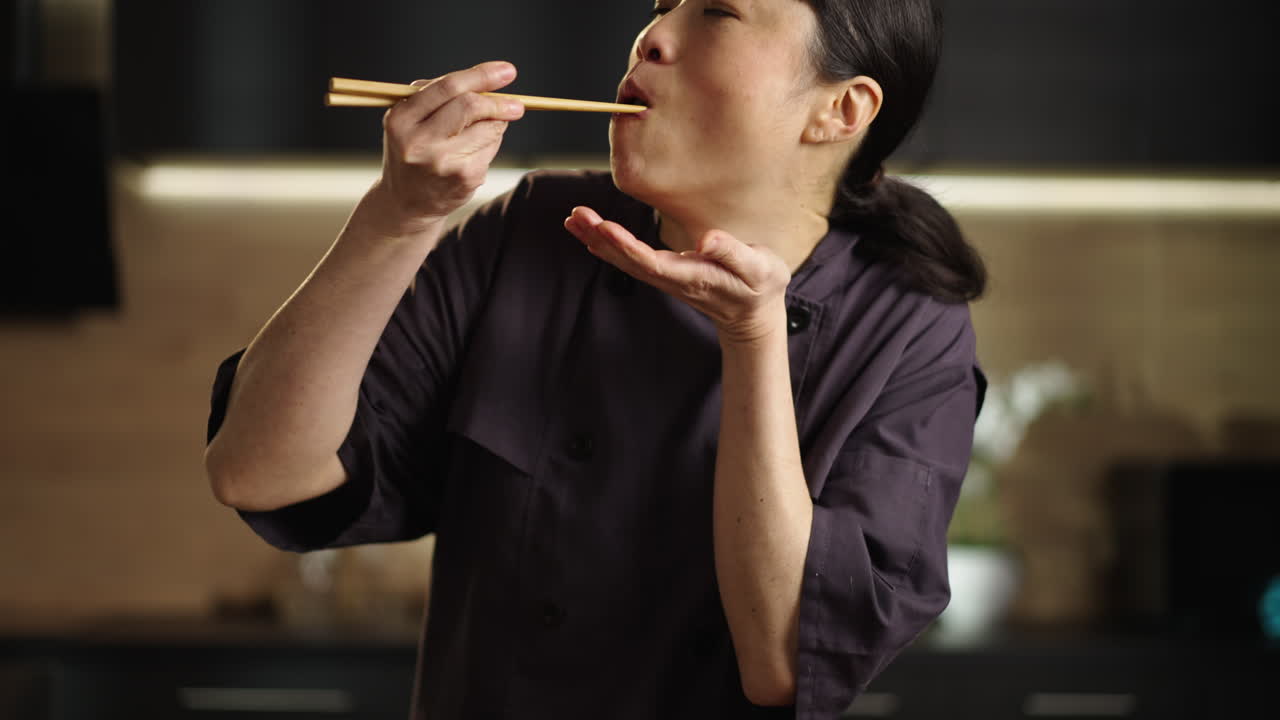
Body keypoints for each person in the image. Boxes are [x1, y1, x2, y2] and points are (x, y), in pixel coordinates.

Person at [204, 0, 987, 717]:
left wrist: (753, 336)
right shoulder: (535, 232)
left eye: (714, 11)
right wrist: (398, 215)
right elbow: (257, 471)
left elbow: (781, 664)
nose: (653, 36)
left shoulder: (911, 331)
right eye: (660, 6)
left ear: (839, 110)